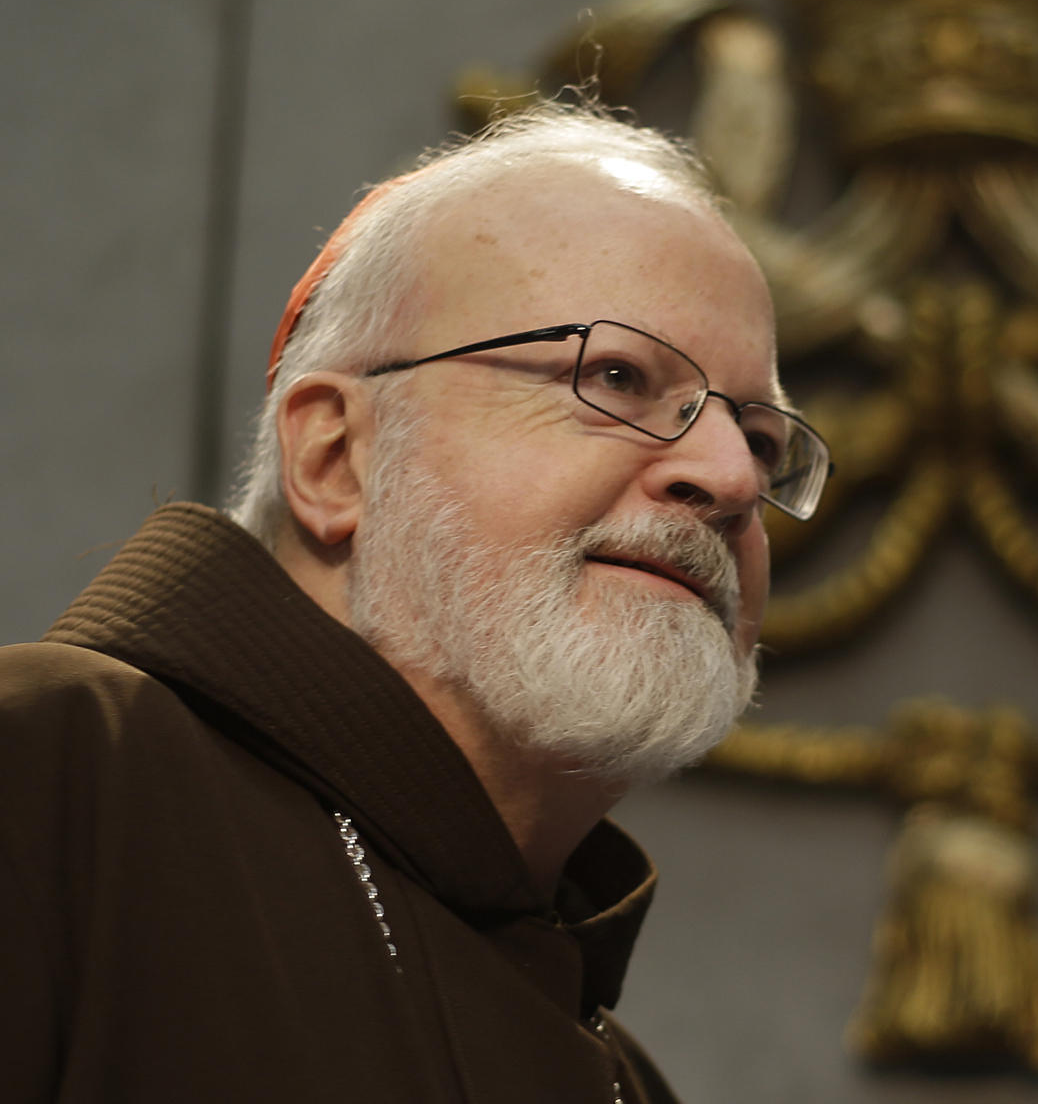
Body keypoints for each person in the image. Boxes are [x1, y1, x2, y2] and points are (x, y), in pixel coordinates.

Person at [0, 104, 831, 1103]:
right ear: (336, 457)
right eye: (616, 375)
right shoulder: (54, 772)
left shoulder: (620, 1081)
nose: (731, 478)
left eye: (759, 437)